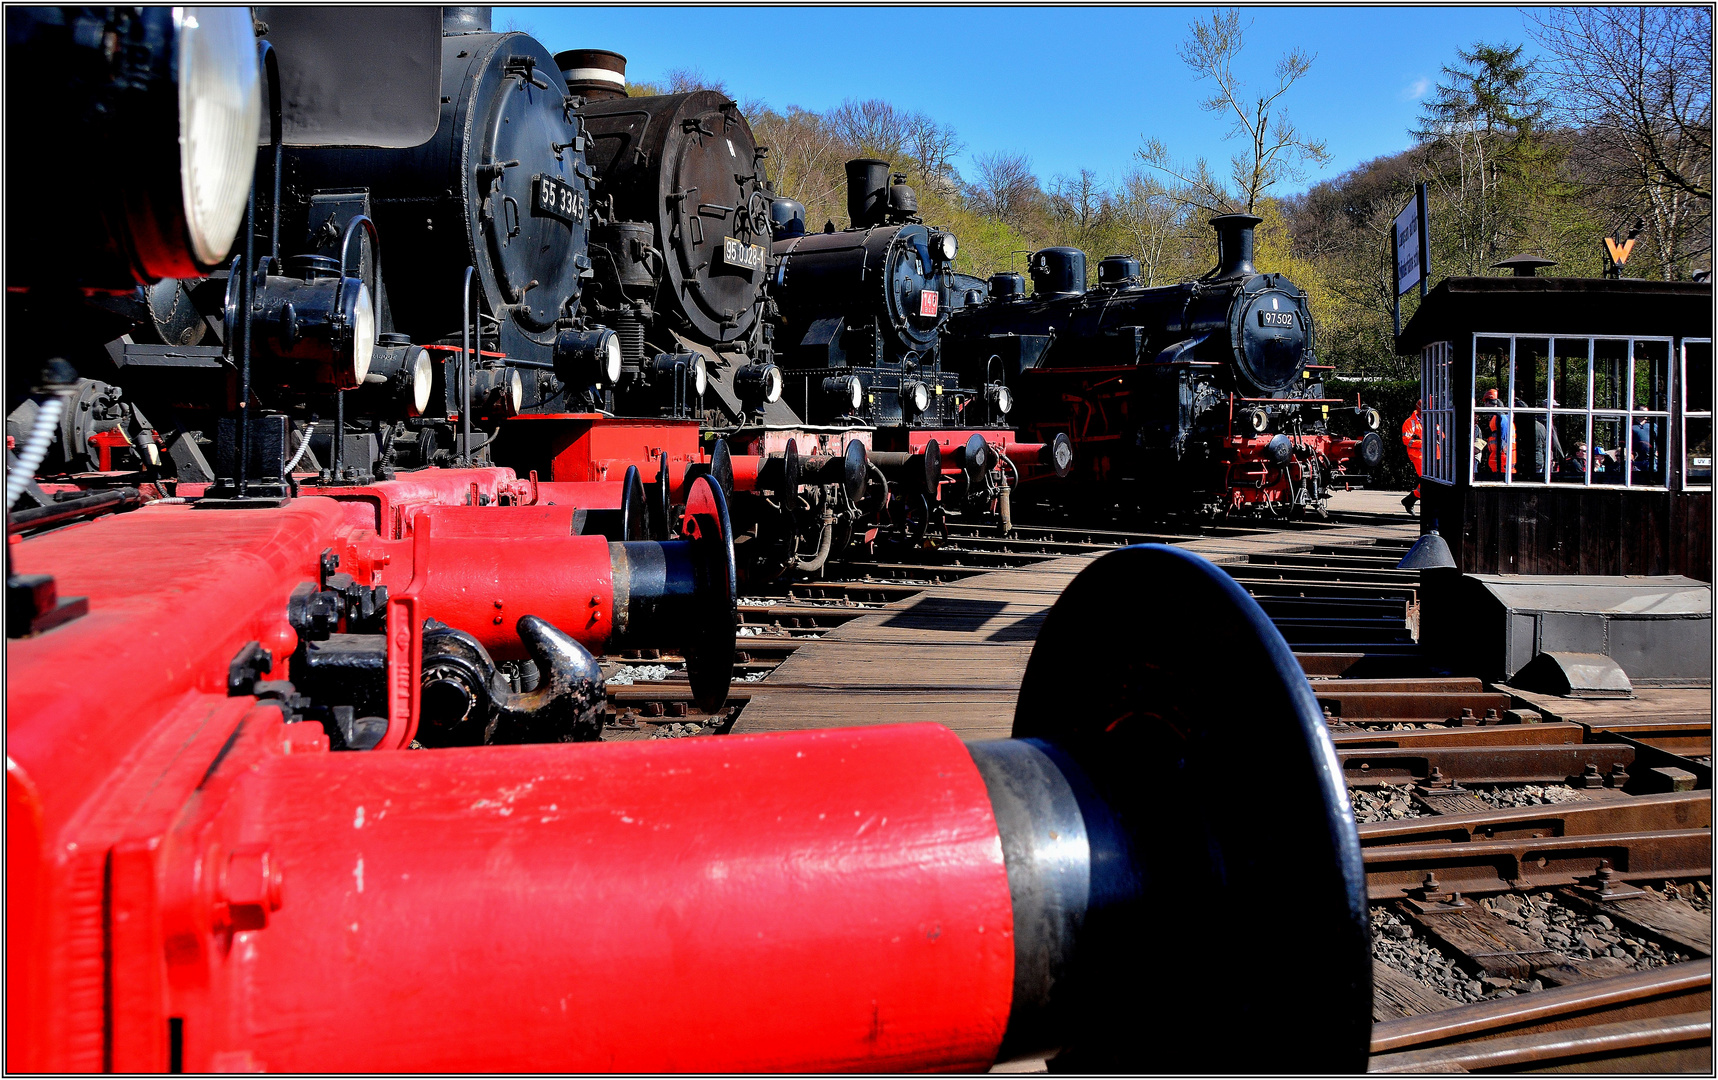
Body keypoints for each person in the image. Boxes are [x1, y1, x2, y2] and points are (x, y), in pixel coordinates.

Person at [1478, 387, 1514, 477]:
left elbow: (1504, 441)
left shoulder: (1499, 418)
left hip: (1502, 462)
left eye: (1486, 404)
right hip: (1500, 461)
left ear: (1488, 402)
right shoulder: (1500, 418)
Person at [1400, 406, 1423, 513]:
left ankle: (1410, 500)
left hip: (1433, 455)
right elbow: (1406, 440)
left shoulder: (1432, 419)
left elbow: (1441, 436)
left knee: (1429, 482)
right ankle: (1410, 500)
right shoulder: (1410, 422)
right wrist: (1424, 443)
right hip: (1417, 455)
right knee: (1427, 481)